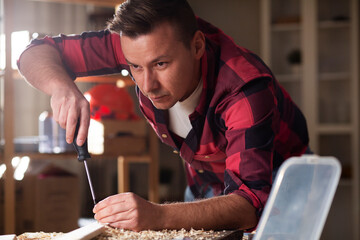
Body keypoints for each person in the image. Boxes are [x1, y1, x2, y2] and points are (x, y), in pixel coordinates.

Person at [17, 0, 309, 232]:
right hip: (207, 177)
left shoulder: (244, 91)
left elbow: (249, 204)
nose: (147, 85)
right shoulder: (136, 45)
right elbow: (34, 52)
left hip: (281, 180)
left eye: (161, 64)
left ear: (197, 46)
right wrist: (61, 88)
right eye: (135, 67)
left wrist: (156, 215)